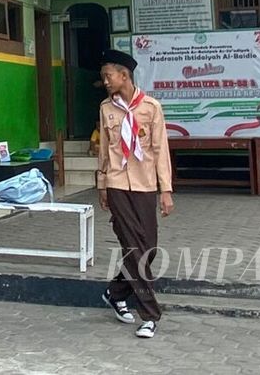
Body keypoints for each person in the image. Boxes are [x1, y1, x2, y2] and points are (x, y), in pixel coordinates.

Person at [96, 49, 174, 340]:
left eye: (108, 76)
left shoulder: (151, 107)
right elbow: (105, 150)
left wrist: (166, 190)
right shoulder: (106, 109)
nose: (105, 81)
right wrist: (102, 186)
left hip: (144, 185)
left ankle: (116, 292)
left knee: (149, 247)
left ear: (124, 75)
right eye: (104, 77)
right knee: (134, 248)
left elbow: (160, 151)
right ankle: (150, 316)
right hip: (117, 184)